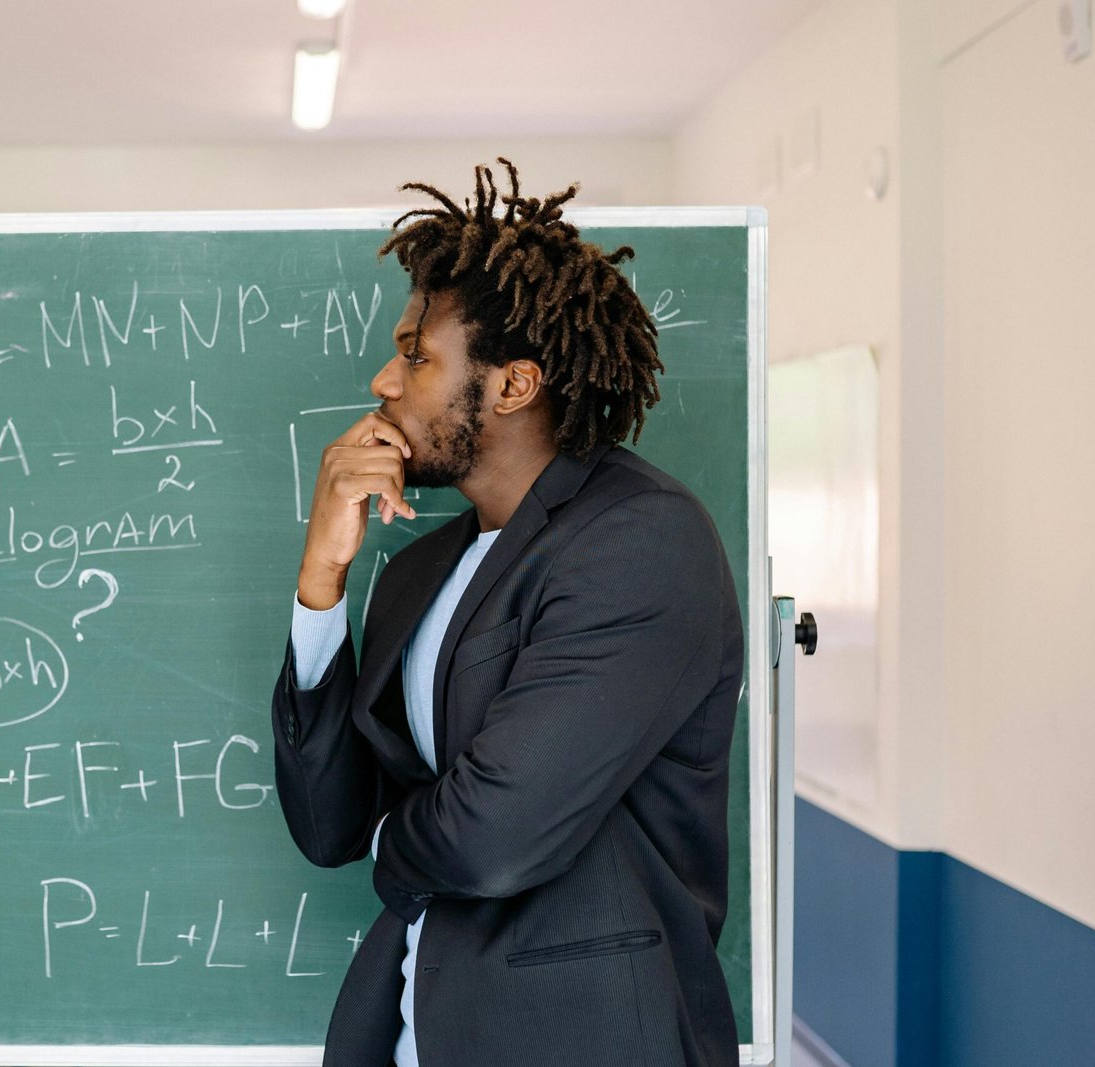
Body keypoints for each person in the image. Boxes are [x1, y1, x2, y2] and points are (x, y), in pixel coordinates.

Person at [270, 160, 743, 1066]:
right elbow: (329, 824)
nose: (384, 378)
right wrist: (320, 580)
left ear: (515, 385)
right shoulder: (418, 570)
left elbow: (493, 834)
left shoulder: (641, 540)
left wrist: (391, 836)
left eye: (415, 353)